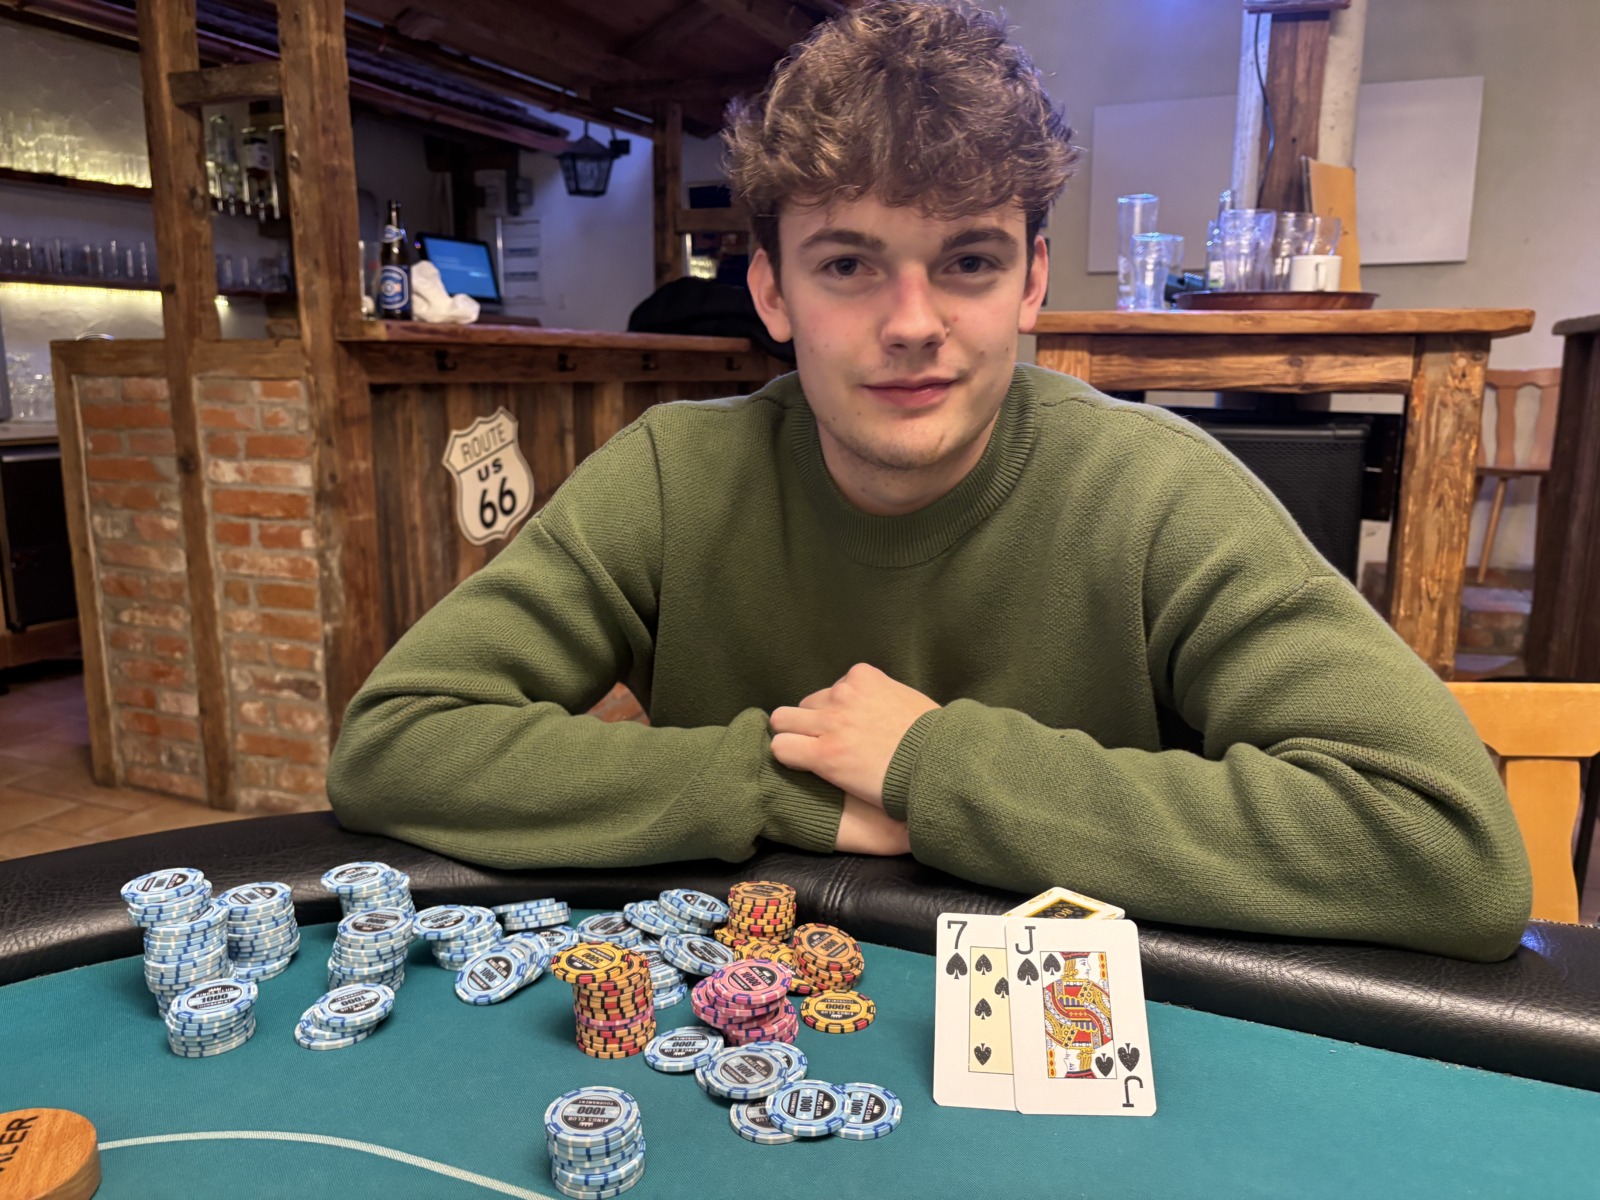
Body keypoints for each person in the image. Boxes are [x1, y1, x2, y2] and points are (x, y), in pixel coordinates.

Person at [326, 0, 1531, 962]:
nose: (912, 323)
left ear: (1031, 282)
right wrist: (778, 786)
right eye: (849, 264)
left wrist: (931, 766)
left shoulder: (1160, 496)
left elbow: (1451, 849)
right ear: (770, 292)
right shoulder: (668, 478)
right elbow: (394, 744)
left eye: (966, 260)